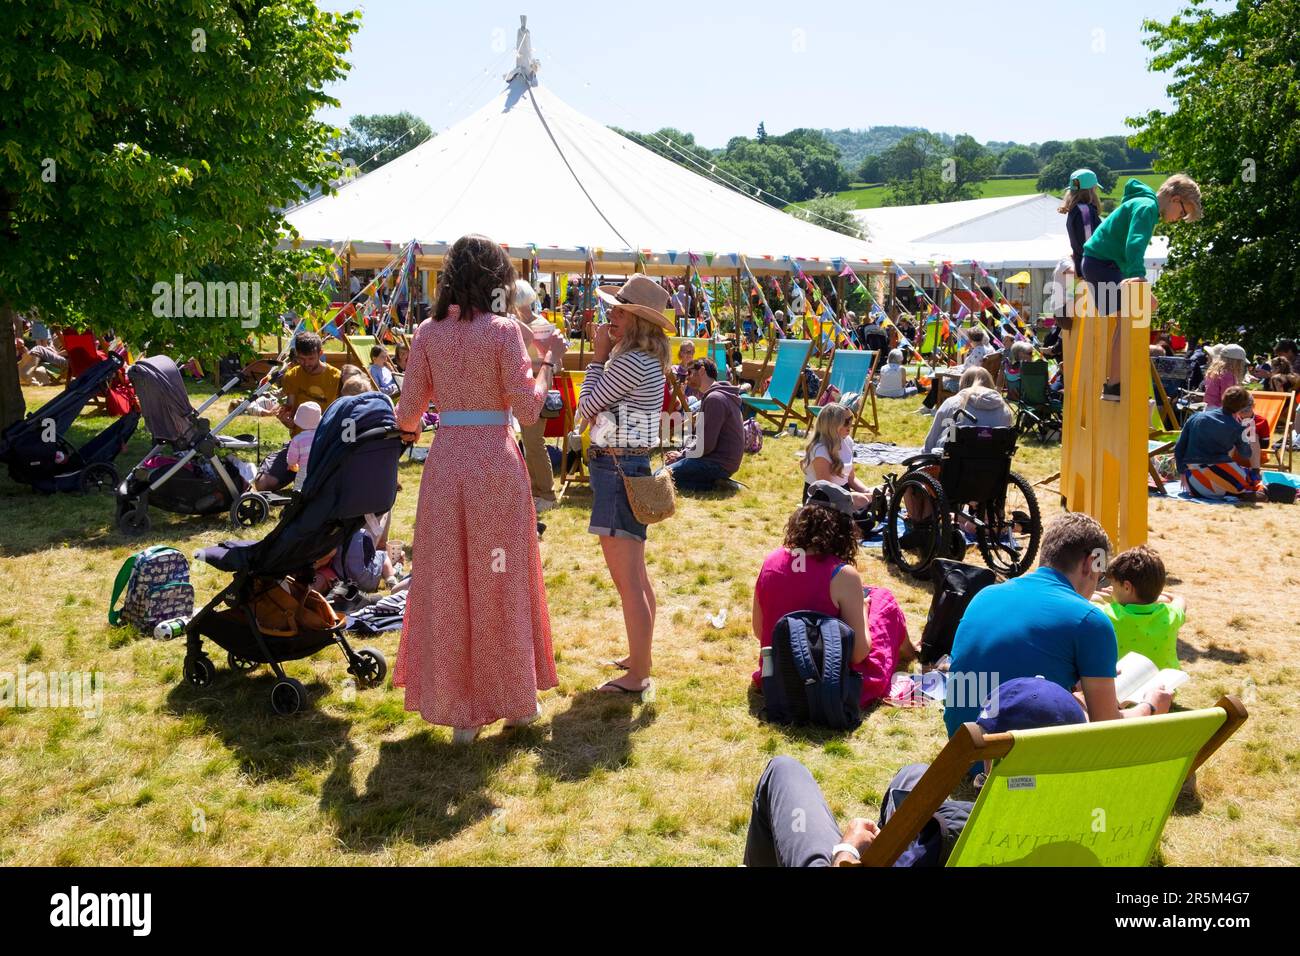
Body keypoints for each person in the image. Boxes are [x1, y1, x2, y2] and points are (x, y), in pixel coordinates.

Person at [392, 233, 566, 744]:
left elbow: (407, 416)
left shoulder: (428, 332)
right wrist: (548, 363)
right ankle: (515, 700)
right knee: (501, 581)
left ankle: (461, 713)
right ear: (497, 280)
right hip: (494, 464)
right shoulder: (503, 331)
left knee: (448, 585)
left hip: (445, 466)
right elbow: (531, 410)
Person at [743, 677, 1086, 867]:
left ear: (996, 759)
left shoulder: (950, 836)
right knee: (913, 775)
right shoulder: (1093, 841)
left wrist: (846, 852)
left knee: (784, 771)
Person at [945, 512, 1173, 737]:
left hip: (962, 749)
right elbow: (1107, 727)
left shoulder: (985, 595)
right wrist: (1150, 706)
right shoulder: (1090, 620)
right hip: (1014, 763)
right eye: (1100, 574)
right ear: (1091, 563)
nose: (1098, 583)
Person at [579, 274, 672, 695]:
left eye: (619, 310)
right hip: (626, 464)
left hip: (616, 467)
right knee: (636, 575)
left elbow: (586, 407)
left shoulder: (630, 360)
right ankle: (640, 660)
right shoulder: (644, 358)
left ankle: (637, 674)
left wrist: (597, 358)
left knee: (628, 581)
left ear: (638, 320)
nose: (610, 316)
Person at [751, 481, 913, 708]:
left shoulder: (771, 561)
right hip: (828, 682)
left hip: (778, 675)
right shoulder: (843, 576)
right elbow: (858, 654)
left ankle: (911, 649)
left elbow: (760, 630)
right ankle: (912, 651)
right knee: (883, 600)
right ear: (843, 528)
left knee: (871, 595)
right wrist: (863, 613)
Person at [1081, 174, 1203, 401]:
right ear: (1175, 199)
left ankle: (1114, 381)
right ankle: (1114, 384)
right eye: (1183, 212)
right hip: (1102, 264)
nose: (1179, 218)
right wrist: (1138, 277)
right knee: (1128, 320)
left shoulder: (1142, 203)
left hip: (1099, 263)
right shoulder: (1147, 207)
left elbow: (1124, 246)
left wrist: (1137, 280)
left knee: (1134, 314)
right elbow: (1134, 243)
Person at [254, 331, 341, 491]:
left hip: (325, 446)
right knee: (263, 484)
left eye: (311, 359)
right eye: (301, 358)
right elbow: (291, 411)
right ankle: (294, 468)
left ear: (320, 353)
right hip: (299, 445)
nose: (306, 363)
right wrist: (287, 420)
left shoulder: (336, 378)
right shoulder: (292, 375)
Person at [508, 279, 559, 512]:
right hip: (524, 388)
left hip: (537, 387)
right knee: (529, 442)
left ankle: (546, 492)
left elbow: (554, 360)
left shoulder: (540, 325)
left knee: (534, 442)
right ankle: (537, 490)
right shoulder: (517, 325)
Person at [1091, 546, 1185, 672]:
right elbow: (1179, 600)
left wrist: (1112, 599)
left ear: (1127, 587)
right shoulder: (1170, 615)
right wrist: (1155, 596)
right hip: (1165, 688)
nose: (1111, 589)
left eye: (1112, 585)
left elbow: (1090, 599)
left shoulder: (1108, 615)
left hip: (1125, 687)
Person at [661, 358, 743, 491]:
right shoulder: (717, 395)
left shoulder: (715, 398)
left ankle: (715, 483)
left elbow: (706, 445)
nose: (688, 378)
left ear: (702, 370)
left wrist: (682, 456)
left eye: (691, 373)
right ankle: (715, 483)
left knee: (661, 477)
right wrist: (683, 453)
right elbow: (702, 439)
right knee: (668, 475)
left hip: (717, 463)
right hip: (720, 461)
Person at [1174, 386, 1265, 501]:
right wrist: (1246, 434)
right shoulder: (1236, 427)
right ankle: (1242, 493)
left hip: (1193, 483)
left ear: (1223, 399)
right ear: (1241, 407)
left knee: (1222, 472)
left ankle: (1235, 492)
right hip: (1218, 476)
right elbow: (1246, 454)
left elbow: (1178, 448)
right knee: (1247, 479)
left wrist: (1182, 471)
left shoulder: (1196, 417)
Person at [922, 367, 1012, 454]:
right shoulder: (1004, 409)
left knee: (950, 433)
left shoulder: (952, 403)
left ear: (963, 383)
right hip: (993, 464)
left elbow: (932, 440)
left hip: (954, 463)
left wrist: (924, 454)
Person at [1062, 168, 1102, 279]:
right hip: (1091, 271)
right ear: (1091, 190)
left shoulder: (1074, 210)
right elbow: (1088, 244)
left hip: (1082, 268)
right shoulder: (1085, 211)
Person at [285, 402, 320, 490]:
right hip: (320, 468)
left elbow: (292, 458)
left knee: (299, 487)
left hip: (304, 469)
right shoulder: (322, 436)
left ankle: (298, 500)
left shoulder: (298, 439)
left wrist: (291, 464)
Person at [1203, 344, 1249, 409]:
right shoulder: (1228, 375)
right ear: (1237, 362)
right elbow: (1228, 398)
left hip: (1209, 407)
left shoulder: (1216, 372)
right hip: (1219, 410)